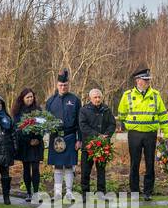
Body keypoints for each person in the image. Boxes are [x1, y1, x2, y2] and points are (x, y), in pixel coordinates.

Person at [118, 68, 168, 200]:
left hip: (150, 134)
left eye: (148, 80)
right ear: (137, 81)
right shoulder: (127, 95)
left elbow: (163, 115)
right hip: (134, 134)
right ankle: (135, 191)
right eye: (145, 79)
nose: (147, 82)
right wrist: (127, 125)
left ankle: (148, 192)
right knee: (134, 163)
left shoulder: (156, 95)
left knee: (150, 163)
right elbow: (121, 114)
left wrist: (167, 133)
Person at [46, 70, 81, 200]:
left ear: (68, 85)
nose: (63, 87)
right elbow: (46, 121)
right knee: (57, 165)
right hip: (55, 137)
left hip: (70, 136)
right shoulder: (50, 101)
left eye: (65, 85)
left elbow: (79, 122)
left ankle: (69, 192)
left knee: (69, 165)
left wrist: (79, 139)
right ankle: (58, 193)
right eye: (61, 85)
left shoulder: (75, 100)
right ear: (57, 85)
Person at [79, 88, 117, 196]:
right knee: (85, 171)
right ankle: (85, 193)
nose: (97, 99)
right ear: (90, 98)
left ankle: (101, 192)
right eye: (95, 97)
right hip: (88, 145)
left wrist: (106, 135)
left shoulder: (106, 109)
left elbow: (112, 124)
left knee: (101, 171)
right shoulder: (84, 110)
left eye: (99, 97)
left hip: (103, 145)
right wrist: (97, 135)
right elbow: (83, 126)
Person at [12, 87, 45, 199]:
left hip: (36, 144)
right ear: (23, 98)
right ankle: (28, 193)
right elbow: (18, 129)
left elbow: (43, 126)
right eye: (28, 97)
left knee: (35, 168)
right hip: (25, 144)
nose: (30, 99)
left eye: (31, 97)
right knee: (26, 168)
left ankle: (35, 193)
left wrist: (37, 139)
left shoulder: (38, 110)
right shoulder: (18, 112)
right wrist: (29, 140)